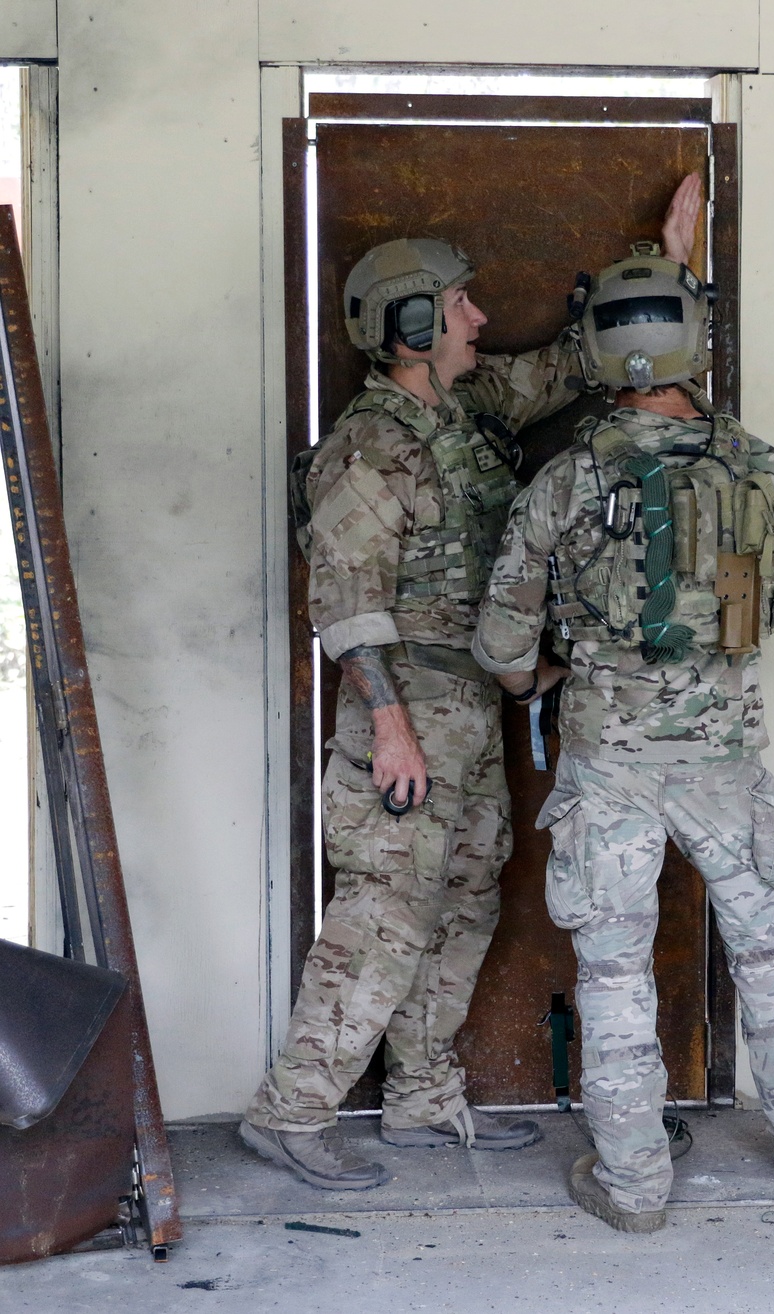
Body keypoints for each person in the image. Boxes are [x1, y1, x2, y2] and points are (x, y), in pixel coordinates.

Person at [241, 179, 704, 1191]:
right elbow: (348, 604)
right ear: (412, 321)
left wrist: (669, 260)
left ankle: (420, 1098)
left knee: (462, 901)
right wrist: (392, 731)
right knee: (386, 909)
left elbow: (573, 365)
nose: (480, 318)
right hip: (401, 710)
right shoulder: (370, 446)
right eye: (460, 305)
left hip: (471, 706)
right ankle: (292, 1109)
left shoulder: (465, 404)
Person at [472, 224, 774, 1232]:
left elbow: (501, 645)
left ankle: (634, 1188)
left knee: (613, 973)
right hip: (726, 762)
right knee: (771, 951)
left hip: (610, 768)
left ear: (596, 350)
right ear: (696, 342)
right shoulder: (756, 464)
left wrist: (546, 672)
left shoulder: (563, 481)